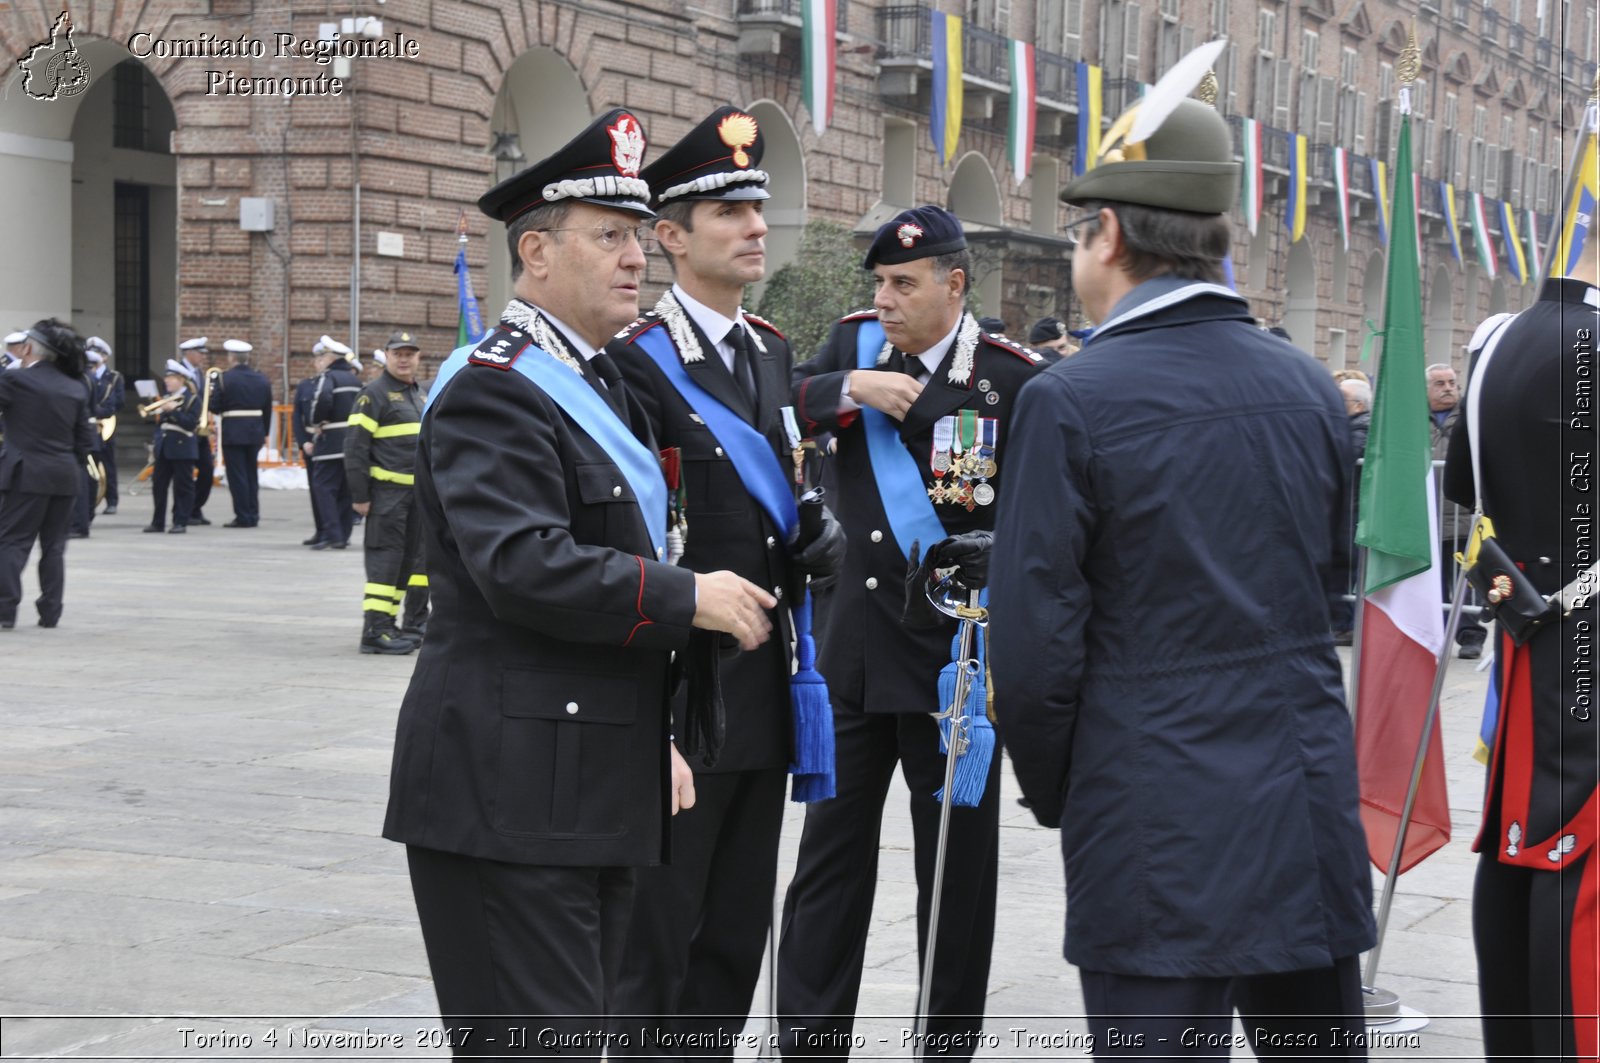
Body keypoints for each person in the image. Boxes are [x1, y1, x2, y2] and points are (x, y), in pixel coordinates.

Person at [381, 107, 780, 1057]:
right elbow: (522, 566)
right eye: (607, 236)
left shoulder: (604, 381)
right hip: (507, 791)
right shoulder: (495, 384)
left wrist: (658, 735)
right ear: (536, 253)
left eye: (639, 235)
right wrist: (691, 595)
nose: (636, 257)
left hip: (589, 781)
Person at [987, 96, 1375, 1056]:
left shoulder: (1069, 397)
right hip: (1302, 793)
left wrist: (1061, 791)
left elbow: (1033, 648)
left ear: (1108, 234)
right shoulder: (1307, 386)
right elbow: (1330, 586)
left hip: (1150, 804)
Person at [603, 105, 845, 1054]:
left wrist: (812, 535)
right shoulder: (637, 364)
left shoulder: (770, 349)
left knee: (736, 937)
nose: (755, 227)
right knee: (655, 942)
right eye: (728, 213)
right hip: (680, 695)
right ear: (670, 236)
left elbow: (779, 482)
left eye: (758, 207)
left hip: (766, 687)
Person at [779, 204, 1045, 1061]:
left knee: (954, 875)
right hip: (853, 657)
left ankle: (946, 1045)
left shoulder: (1012, 379)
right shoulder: (853, 347)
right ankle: (809, 1042)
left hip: (955, 671)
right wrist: (848, 388)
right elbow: (778, 403)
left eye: (904, 283)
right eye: (880, 284)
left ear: (954, 284)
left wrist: (997, 551)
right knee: (827, 867)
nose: (885, 299)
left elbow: (1046, 521)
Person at [1443, 251, 1600, 1062]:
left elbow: (1468, 487)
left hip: (1535, 640)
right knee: (1582, 879)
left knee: (1521, 857)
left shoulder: (1501, 339)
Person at [0, 319, 98, 629]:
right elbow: (85, 441)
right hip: (65, 475)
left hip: (27, 474)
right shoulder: (76, 386)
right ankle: (51, 612)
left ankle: (5, 610)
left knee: (13, 543)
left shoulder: (17, 381)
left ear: (28, 348)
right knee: (54, 547)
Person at [346, 329, 428, 655]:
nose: (404, 359)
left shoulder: (419, 395)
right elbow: (355, 448)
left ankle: (403, 625)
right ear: (387, 356)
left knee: (412, 564)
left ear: (418, 357)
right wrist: (360, 495)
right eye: (398, 353)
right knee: (385, 562)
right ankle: (375, 630)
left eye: (410, 353)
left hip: (417, 498)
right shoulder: (373, 394)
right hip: (387, 496)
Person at [1427, 361, 1487, 658]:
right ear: (1426, 389)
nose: (1448, 388)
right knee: (1433, 585)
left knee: (1468, 582)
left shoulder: (1471, 416)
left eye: (1452, 382)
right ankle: (1434, 634)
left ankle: (1471, 636)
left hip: (1464, 517)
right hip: (1429, 518)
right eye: (1440, 383)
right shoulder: (1413, 420)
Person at [209, 339, 274, 528]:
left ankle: (243, 515)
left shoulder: (223, 378)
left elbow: (214, 406)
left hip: (233, 430)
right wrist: (265, 431)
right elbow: (267, 408)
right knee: (251, 474)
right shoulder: (261, 378)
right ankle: (253, 513)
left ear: (231, 357)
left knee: (237, 475)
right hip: (255, 430)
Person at [1329, 374, 1372, 643]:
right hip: (1346, 508)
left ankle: (1347, 624)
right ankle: (1341, 623)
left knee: (1348, 569)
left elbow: (1344, 455)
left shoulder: (1361, 428)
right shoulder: (1348, 426)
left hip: (1354, 510)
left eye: (1339, 399)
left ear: (1357, 404)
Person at [306, 342, 362, 549]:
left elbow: (322, 401)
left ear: (331, 358)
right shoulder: (356, 380)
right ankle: (343, 535)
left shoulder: (328, 378)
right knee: (345, 491)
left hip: (330, 441)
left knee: (324, 488)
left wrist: (317, 422)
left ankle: (332, 533)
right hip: (353, 442)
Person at [143, 361, 201, 534]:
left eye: (170, 378)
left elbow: (190, 424)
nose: (166, 381)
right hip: (164, 447)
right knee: (158, 486)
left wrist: (173, 412)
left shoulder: (192, 399)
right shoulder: (166, 398)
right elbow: (160, 426)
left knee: (182, 487)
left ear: (181, 380)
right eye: (167, 378)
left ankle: (180, 521)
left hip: (182, 448)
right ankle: (157, 521)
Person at [178, 337, 216, 525]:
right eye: (200, 353)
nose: (202, 357)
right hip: (184, 430)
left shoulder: (200, 374)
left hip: (199, 430)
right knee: (183, 475)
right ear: (189, 353)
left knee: (207, 470)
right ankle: (185, 511)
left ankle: (195, 506)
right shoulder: (177, 372)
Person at [86, 337, 123, 515]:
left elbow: (119, 402)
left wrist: (98, 412)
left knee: (108, 463)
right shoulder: (85, 376)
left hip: (106, 424)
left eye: (98, 353)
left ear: (105, 357)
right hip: (90, 423)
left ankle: (112, 499)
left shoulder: (113, 377)